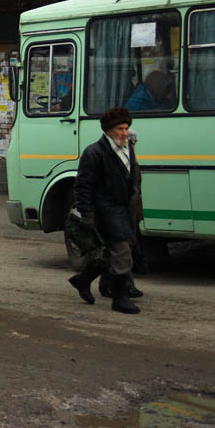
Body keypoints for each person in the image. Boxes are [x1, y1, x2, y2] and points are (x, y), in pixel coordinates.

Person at [68, 107, 142, 314]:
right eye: (120, 128)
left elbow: (131, 175)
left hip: (123, 208)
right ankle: (120, 298)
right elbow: (83, 186)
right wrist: (87, 214)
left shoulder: (127, 148)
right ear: (109, 130)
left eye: (126, 128)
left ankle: (82, 280)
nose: (125, 133)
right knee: (122, 252)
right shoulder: (94, 152)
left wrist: (134, 192)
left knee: (114, 251)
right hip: (105, 210)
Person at [99, 127, 145, 298]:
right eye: (130, 141)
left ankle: (98, 282)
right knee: (123, 250)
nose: (132, 145)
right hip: (118, 214)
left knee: (118, 251)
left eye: (133, 142)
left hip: (129, 214)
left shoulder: (131, 160)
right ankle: (126, 286)